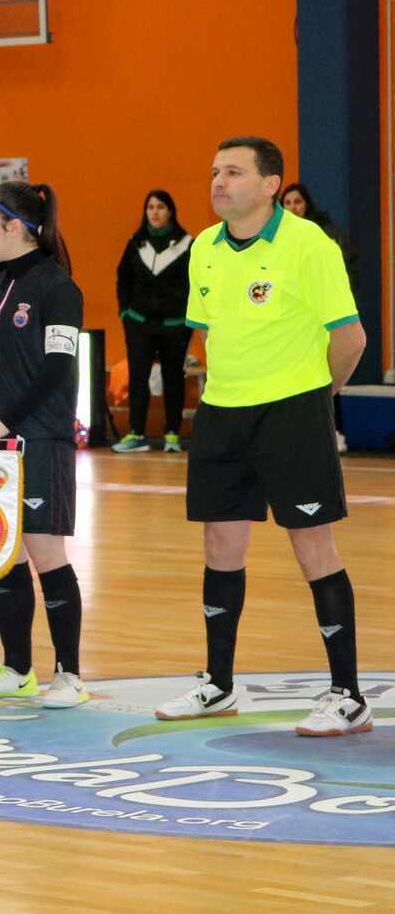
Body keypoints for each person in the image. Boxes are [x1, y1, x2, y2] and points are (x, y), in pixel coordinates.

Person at [156, 137, 371, 736]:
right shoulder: (204, 247)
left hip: (293, 414)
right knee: (220, 547)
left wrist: (314, 396)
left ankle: (348, 695)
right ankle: (218, 684)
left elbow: (350, 338)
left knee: (314, 549)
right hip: (222, 415)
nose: (218, 182)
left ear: (271, 184)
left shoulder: (309, 244)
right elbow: (208, 333)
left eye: (233, 172)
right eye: (214, 171)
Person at [0, 181, 89, 708]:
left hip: (39, 441)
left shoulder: (58, 288)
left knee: (45, 552)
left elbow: (58, 367)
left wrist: (8, 419)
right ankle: (16, 669)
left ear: (15, 228)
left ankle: (69, 675)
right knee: (3, 553)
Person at [112, 190, 194, 454]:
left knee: (173, 378)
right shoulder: (136, 243)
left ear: (170, 211)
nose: (155, 212)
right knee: (138, 377)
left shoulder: (187, 244)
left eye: (160, 207)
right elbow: (123, 279)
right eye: (150, 207)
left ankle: (172, 434)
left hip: (175, 325)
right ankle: (137, 434)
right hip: (139, 323)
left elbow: (194, 283)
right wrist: (125, 313)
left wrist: (186, 320)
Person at [281, 182, 355, 453]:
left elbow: (346, 273)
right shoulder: (276, 238)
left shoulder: (325, 236)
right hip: (291, 323)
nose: (293, 208)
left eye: (297, 202)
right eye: (287, 203)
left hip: (323, 320)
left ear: (307, 204)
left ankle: (333, 431)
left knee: (325, 375)